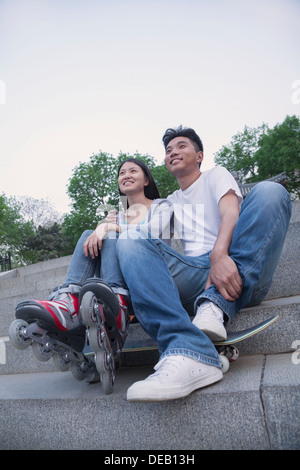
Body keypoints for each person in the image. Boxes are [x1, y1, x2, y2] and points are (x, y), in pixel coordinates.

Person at [113, 126, 292, 402]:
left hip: (241, 269)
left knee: (270, 192)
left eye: (181, 146)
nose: (173, 152)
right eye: (168, 150)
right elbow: (147, 235)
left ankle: (213, 304)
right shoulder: (169, 202)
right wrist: (111, 226)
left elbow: (231, 211)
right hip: (195, 275)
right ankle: (189, 348)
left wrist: (219, 255)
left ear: (199, 155)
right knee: (130, 239)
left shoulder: (214, 176)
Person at [13, 159, 173, 361]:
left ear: (147, 180)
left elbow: (152, 235)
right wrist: (104, 227)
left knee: (108, 232)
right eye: (122, 173)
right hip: (117, 282)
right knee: (91, 233)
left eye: (133, 171)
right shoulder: (116, 215)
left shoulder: (161, 205)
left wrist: (108, 228)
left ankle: (116, 299)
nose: (126, 175)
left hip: (148, 277)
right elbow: (100, 239)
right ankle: (70, 300)